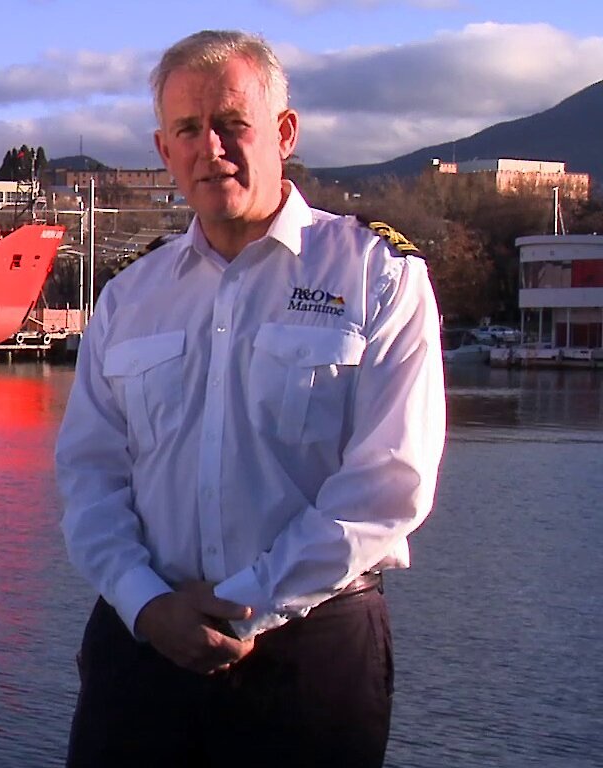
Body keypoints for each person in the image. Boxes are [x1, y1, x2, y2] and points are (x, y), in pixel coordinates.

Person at [55, 29, 445, 767]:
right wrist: (146, 603)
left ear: (284, 133)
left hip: (309, 657)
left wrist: (249, 603)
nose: (212, 148)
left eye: (234, 124)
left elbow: (389, 483)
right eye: (187, 130)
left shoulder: (377, 276)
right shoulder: (129, 298)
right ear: (164, 150)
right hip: (142, 645)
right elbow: (90, 478)